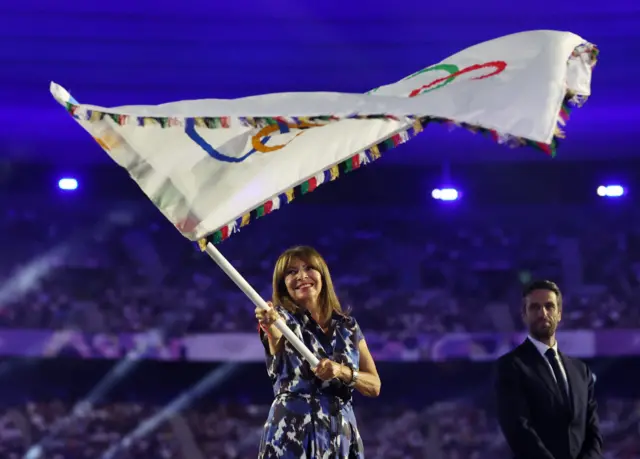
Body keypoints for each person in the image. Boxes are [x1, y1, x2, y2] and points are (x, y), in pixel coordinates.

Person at [254, 245, 381, 458]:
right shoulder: (281, 319)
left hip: (339, 435)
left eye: (308, 268)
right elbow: (274, 335)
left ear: (322, 275)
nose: (302, 276)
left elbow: (374, 385)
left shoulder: (348, 327)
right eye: (291, 272)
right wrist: (269, 323)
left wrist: (341, 371)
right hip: (292, 434)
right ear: (283, 284)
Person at [494, 280, 602, 459]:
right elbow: (518, 430)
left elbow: (593, 432)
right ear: (524, 315)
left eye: (549, 306)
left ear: (559, 314)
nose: (542, 313)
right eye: (535, 307)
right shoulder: (510, 366)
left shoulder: (580, 370)